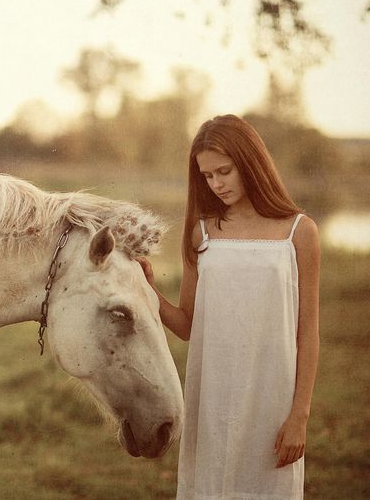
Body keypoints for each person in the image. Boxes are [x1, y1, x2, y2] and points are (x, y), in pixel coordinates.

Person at [137, 114, 320, 499]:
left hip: (272, 401)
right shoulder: (202, 232)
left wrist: (299, 416)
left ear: (250, 162)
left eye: (225, 171)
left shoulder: (298, 232)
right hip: (214, 399)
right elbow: (188, 325)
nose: (217, 184)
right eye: (207, 176)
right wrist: (149, 291)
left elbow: (307, 332)